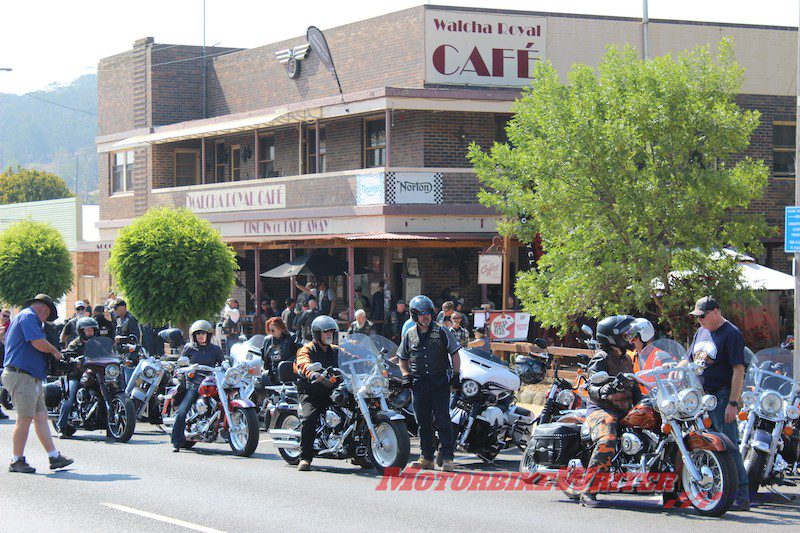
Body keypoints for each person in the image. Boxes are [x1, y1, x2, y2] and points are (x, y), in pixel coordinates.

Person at [685, 296, 750, 511]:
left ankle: (741, 495)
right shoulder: (700, 332)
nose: (700, 320)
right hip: (699, 398)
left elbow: (738, 370)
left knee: (728, 445)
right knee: (701, 445)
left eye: (702, 316)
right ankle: (708, 491)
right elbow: (688, 359)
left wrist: (733, 402)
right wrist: (671, 370)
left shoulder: (731, 334)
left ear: (715, 312)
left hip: (721, 397)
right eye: (697, 317)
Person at [2, 294, 74, 473]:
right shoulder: (28, 316)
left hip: (31, 376)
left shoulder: (28, 317)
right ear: (44, 309)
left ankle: (54, 457)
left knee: (41, 417)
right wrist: (55, 351)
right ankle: (16, 460)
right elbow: (37, 343)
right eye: (46, 317)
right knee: (25, 418)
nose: (45, 321)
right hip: (22, 375)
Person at [580, 314, 641, 507]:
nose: (630, 336)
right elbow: (590, 386)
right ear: (613, 336)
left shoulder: (626, 359)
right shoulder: (602, 357)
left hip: (625, 410)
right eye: (626, 333)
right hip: (601, 409)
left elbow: (635, 389)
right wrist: (602, 389)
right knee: (607, 440)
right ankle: (589, 489)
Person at [397, 295, 461, 472]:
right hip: (418, 384)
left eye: (428, 313)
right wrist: (406, 374)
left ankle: (448, 457)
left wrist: (456, 375)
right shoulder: (409, 335)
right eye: (421, 314)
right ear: (414, 315)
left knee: (443, 420)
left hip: (439, 382)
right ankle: (426, 457)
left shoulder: (443, 331)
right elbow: (403, 358)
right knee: (422, 421)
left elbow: (455, 354)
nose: (426, 317)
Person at [294, 315, 340, 471]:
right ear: (316, 334)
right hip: (311, 391)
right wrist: (311, 373)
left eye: (331, 332)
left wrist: (371, 361)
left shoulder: (335, 350)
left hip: (331, 389)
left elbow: (353, 356)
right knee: (309, 417)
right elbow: (303, 362)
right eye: (326, 332)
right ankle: (305, 457)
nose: (329, 335)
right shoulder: (307, 349)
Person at [171, 320, 225, 452]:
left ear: (208, 334)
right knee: (182, 411)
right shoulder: (189, 348)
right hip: (194, 383)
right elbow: (181, 365)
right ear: (194, 335)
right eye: (198, 333)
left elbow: (223, 363)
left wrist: (227, 366)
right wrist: (186, 368)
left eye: (203, 333)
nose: (201, 335)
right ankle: (176, 441)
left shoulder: (215, 349)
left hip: (211, 383)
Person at [56, 317, 100, 436]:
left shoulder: (97, 343)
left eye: (92, 330)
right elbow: (68, 354)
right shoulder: (75, 343)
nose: (90, 332)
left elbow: (107, 353)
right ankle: (61, 425)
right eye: (87, 330)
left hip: (94, 373)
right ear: (81, 331)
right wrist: (73, 359)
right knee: (70, 398)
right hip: (76, 375)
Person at [625, 318, 673, 394]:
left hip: (661, 400)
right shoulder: (630, 356)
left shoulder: (661, 356)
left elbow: (673, 368)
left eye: (633, 337)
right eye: (628, 335)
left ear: (645, 336)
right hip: (640, 402)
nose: (630, 341)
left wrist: (671, 366)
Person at [261, 317, 299, 383]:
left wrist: (286, 365)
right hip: (272, 375)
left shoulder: (291, 338)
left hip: (288, 374)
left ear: (280, 328)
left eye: (273, 330)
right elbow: (264, 359)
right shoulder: (267, 341)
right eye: (269, 330)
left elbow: (299, 355)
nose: (271, 333)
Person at [0, 308, 11, 419]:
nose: (6, 319)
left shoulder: (10, 327)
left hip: (4, 359)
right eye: (4, 316)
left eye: (8, 316)